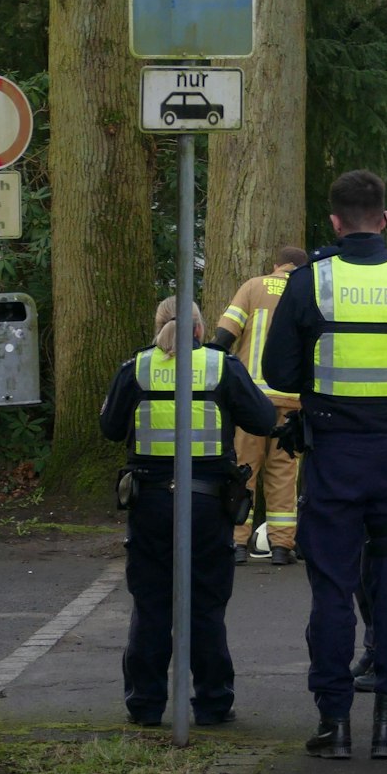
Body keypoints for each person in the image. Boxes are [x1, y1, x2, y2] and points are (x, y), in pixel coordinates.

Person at [262, 170, 387, 759]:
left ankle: (333, 725)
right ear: (383, 219)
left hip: (331, 456)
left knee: (331, 587)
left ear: (333, 222)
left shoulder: (311, 282)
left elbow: (278, 374)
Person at [99, 297, 276, 727]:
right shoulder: (222, 367)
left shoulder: (136, 368)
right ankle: (213, 703)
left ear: (158, 326)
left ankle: (145, 704)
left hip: (151, 502)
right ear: (199, 330)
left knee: (152, 603)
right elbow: (264, 419)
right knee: (206, 605)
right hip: (207, 503)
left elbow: (109, 428)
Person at [211, 245, 307, 566]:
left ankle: (237, 544)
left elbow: (225, 334)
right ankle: (281, 547)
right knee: (283, 473)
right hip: (292, 401)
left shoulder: (253, 286)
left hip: (251, 400)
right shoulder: (309, 292)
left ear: (276, 265)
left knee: (243, 470)